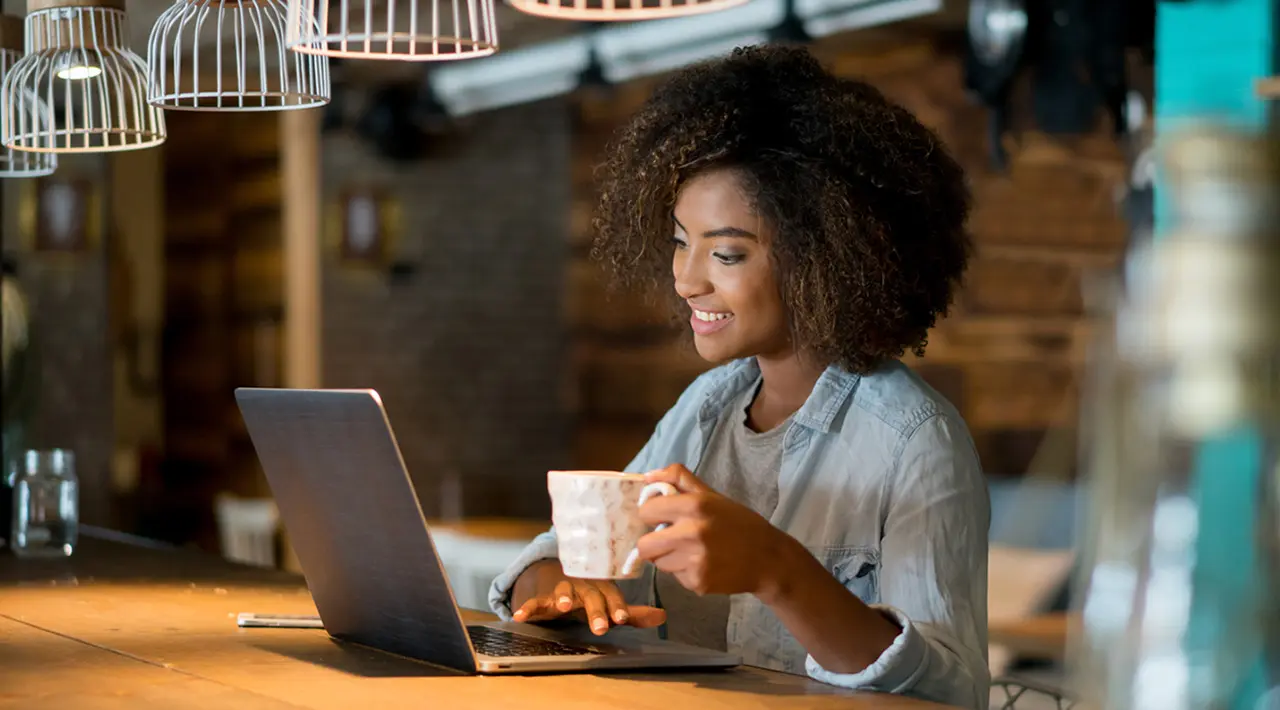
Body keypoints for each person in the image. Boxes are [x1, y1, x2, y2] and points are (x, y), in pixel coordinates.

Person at [488, 44, 989, 710]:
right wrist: (559, 592)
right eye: (678, 241)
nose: (686, 278)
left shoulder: (914, 440)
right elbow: (564, 558)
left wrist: (777, 570)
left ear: (826, 259)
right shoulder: (708, 408)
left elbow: (950, 689)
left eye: (725, 252)